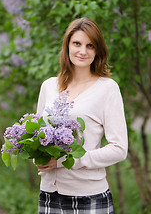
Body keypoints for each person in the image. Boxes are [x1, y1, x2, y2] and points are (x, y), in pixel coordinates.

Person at [36, 17, 128, 214]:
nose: (83, 51)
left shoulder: (107, 89)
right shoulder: (48, 86)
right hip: (49, 195)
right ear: (67, 45)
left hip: (89, 197)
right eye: (77, 43)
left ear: (98, 51)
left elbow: (119, 149)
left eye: (90, 45)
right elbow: (38, 137)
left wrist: (64, 161)